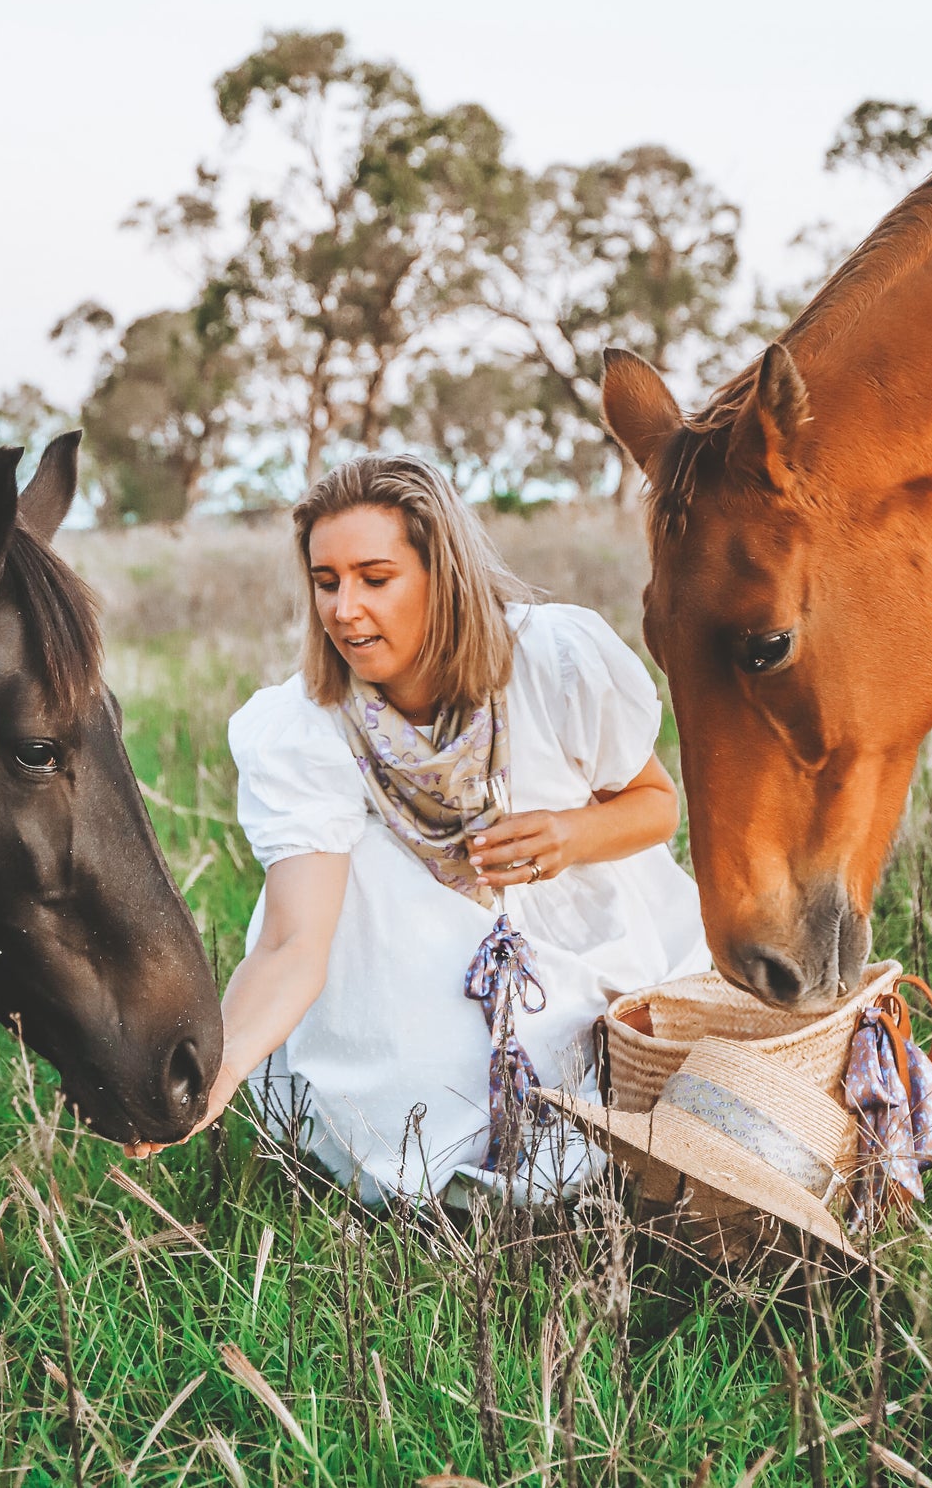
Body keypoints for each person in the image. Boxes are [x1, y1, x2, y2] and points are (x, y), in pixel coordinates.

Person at [134, 454, 709, 1201]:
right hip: (408, 974)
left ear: (443, 575)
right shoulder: (302, 727)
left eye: (375, 579)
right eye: (325, 581)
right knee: (366, 869)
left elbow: (655, 804)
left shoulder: (552, 659)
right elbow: (291, 941)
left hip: (585, 926)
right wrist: (217, 1076)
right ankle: (442, 1144)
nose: (343, 609)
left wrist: (569, 835)